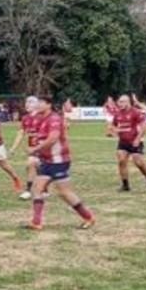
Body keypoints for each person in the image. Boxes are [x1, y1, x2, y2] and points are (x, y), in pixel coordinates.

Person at [24, 99, 97, 231]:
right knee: (37, 188)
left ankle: (89, 217)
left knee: (64, 192)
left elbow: (53, 138)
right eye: (38, 103)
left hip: (59, 160)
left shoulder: (54, 119)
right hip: (47, 160)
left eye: (41, 103)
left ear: (49, 105)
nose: (38, 105)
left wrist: (35, 149)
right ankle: (36, 222)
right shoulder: (41, 119)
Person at [107, 94, 146, 192]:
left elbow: (144, 126)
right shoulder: (117, 114)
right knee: (121, 161)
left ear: (128, 102)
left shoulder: (135, 112)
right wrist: (112, 131)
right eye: (119, 102)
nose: (119, 104)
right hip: (123, 142)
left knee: (138, 162)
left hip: (135, 141)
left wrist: (138, 139)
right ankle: (125, 185)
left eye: (122, 102)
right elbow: (113, 125)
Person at [9, 95, 44, 200]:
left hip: (43, 147)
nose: (27, 104)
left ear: (36, 105)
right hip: (32, 148)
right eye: (26, 102)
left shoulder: (42, 117)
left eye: (30, 102)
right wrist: (13, 148)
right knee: (33, 166)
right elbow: (21, 133)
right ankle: (36, 189)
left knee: (32, 165)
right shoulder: (25, 118)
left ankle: (32, 190)